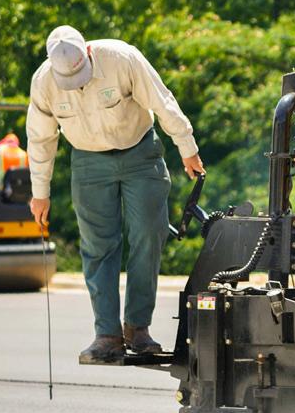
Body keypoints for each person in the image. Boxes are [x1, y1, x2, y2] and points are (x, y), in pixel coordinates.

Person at [25, 25, 205, 364]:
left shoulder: (122, 58)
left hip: (140, 152)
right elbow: (40, 138)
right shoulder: (43, 82)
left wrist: (187, 148)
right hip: (88, 162)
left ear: (88, 52)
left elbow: (162, 100)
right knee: (98, 246)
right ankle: (107, 335)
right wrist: (40, 193)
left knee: (149, 234)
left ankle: (137, 327)